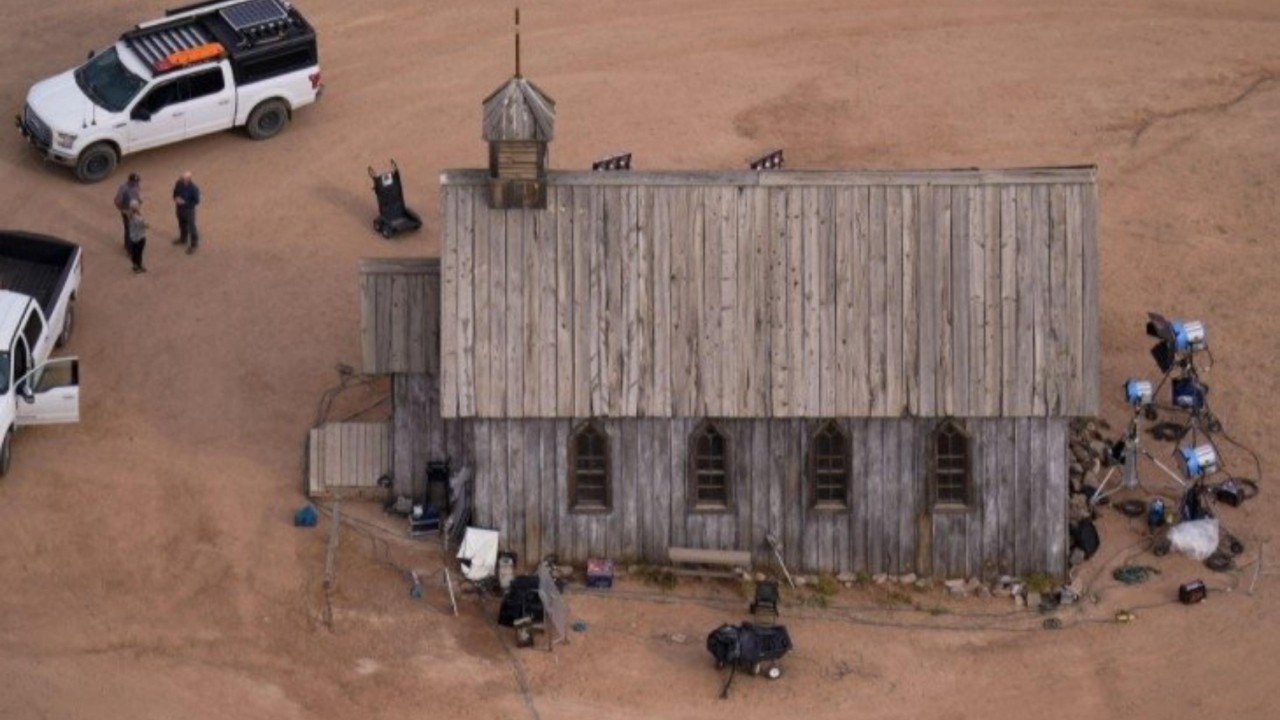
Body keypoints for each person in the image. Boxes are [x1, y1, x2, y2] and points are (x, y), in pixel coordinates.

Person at [172, 171, 201, 254]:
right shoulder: (178, 183)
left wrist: (185, 203)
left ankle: (194, 244)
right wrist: (176, 198)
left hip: (189, 210)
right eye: (181, 177)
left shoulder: (194, 188)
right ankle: (183, 238)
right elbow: (175, 193)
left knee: (192, 227)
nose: (180, 179)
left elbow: (196, 201)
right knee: (181, 224)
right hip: (179, 208)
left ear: (188, 179)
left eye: (182, 178)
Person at [113, 173, 141, 252]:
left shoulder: (137, 186)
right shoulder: (123, 188)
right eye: (135, 182)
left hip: (135, 210)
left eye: (137, 181)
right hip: (127, 212)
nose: (137, 183)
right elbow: (117, 201)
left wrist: (139, 200)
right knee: (129, 230)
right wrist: (123, 210)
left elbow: (136, 194)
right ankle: (129, 248)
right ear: (130, 181)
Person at [126, 200, 147, 273]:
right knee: (139, 253)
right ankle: (138, 266)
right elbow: (145, 225)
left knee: (135, 252)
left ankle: (135, 265)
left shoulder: (130, 215)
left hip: (133, 237)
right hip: (139, 237)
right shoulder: (138, 218)